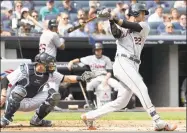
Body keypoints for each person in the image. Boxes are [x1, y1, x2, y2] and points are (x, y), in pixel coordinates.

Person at [80, 4, 177, 131]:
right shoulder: (121, 25)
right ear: (135, 13)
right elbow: (116, 33)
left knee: (122, 102)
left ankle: (90, 116)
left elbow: (130, 25)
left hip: (133, 65)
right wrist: (110, 20)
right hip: (123, 62)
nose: (144, 15)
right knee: (141, 88)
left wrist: (112, 17)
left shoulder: (144, 26)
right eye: (142, 13)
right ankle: (157, 121)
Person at [0, 52, 90, 128]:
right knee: (20, 90)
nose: (51, 66)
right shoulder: (26, 69)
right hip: (17, 100)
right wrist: (3, 94)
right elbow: (5, 79)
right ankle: (5, 119)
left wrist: (81, 77)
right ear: (40, 64)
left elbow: (66, 78)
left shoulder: (50, 73)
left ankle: (36, 121)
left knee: (54, 95)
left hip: (32, 101)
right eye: (48, 64)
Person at [68, 42, 119, 109]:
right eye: (97, 50)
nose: (98, 51)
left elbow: (109, 72)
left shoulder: (106, 59)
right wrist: (71, 62)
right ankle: (91, 103)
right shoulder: (90, 58)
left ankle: (113, 103)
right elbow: (79, 59)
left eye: (100, 49)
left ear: (102, 50)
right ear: (94, 50)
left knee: (117, 85)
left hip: (105, 76)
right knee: (89, 85)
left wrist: (106, 80)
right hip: (95, 77)